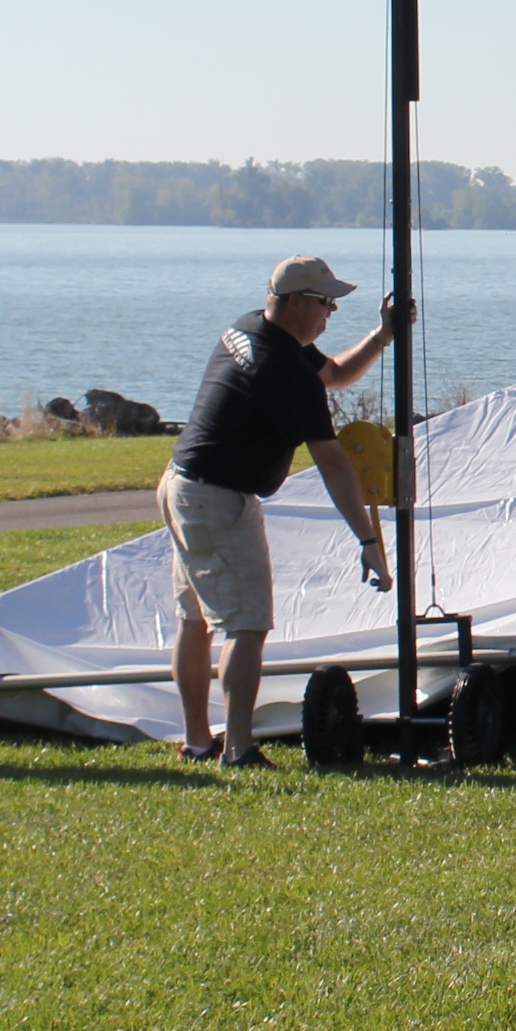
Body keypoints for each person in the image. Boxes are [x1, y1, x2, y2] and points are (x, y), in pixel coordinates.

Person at [159, 254, 406, 767]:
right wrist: (369, 543)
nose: (331, 312)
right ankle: (240, 749)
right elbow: (334, 464)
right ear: (296, 302)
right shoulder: (285, 372)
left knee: (195, 619)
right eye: (326, 302)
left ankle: (200, 741)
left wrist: (383, 337)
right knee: (246, 626)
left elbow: (335, 374)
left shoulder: (251, 328)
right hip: (217, 498)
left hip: (182, 485)